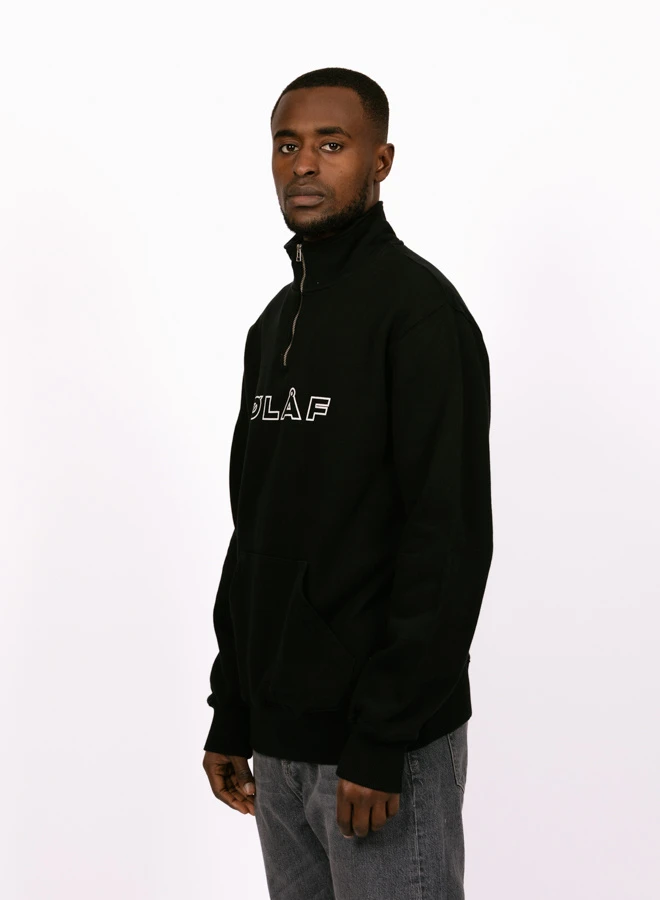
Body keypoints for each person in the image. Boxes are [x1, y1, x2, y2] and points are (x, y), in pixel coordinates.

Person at [202, 66, 493, 900]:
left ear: (381, 161)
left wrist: (384, 736)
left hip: (379, 750)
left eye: (332, 145)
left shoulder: (420, 315)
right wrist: (232, 707)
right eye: (287, 145)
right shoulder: (274, 325)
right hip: (279, 743)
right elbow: (254, 531)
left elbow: (449, 540)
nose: (303, 164)